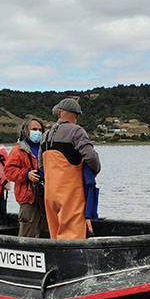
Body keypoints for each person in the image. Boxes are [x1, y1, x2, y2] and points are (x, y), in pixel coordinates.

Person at [39, 97, 100, 239]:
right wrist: (94, 171)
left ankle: (55, 260)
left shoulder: (45, 136)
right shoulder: (76, 131)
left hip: (50, 194)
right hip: (70, 194)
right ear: (76, 115)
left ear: (60, 113)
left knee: (54, 234)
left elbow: (41, 166)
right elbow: (90, 157)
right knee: (73, 236)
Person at [4, 117, 48, 237]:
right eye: (34, 129)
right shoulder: (18, 150)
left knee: (47, 230)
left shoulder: (46, 149)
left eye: (40, 130)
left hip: (46, 196)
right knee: (28, 231)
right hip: (28, 198)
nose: (38, 132)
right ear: (26, 131)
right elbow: (8, 171)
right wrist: (26, 174)